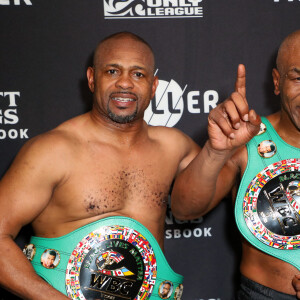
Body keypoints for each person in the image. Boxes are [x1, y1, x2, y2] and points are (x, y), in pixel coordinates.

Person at [0, 32, 202, 299]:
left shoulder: (173, 146)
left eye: (138, 74)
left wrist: (221, 151)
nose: (125, 84)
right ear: (92, 78)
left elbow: (210, 191)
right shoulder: (52, 151)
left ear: (154, 86)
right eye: (112, 71)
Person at [171, 29, 300, 299]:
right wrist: (217, 151)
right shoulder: (248, 140)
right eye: (298, 78)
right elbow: (183, 209)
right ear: (277, 82)